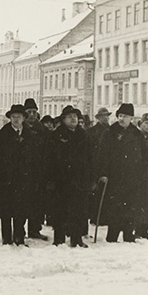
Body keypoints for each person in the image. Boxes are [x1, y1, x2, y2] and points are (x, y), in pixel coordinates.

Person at [0, 104, 42, 246]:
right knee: (6, 211)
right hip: (6, 179)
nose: (16, 119)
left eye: (19, 117)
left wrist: (34, 175)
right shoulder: (1, 135)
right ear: (10, 118)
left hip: (24, 179)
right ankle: (6, 238)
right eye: (13, 117)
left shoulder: (30, 135)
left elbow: (35, 157)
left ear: (24, 118)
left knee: (21, 209)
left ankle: (19, 237)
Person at [44, 105, 93, 247]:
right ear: (63, 119)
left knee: (79, 211)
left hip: (79, 180)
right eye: (70, 117)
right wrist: (50, 180)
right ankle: (59, 239)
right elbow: (48, 159)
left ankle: (76, 239)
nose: (73, 119)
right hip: (61, 181)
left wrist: (91, 178)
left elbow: (91, 158)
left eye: (75, 117)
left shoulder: (84, 136)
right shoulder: (55, 136)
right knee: (60, 211)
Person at [97, 103, 142, 243]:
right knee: (114, 208)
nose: (122, 119)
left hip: (132, 177)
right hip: (115, 177)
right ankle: (112, 236)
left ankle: (129, 235)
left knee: (130, 207)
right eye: (120, 116)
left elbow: (143, 155)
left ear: (131, 118)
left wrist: (141, 174)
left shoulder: (136, 133)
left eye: (125, 116)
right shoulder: (110, 132)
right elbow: (102, 155)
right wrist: (103, 173)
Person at [22, 98, 49, 241]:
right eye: (29, 112)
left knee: (37, 203)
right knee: (22, 203)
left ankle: (35, 230)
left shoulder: (42, 130)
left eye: (34, 112)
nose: (32, 115)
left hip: (39, 172)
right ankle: (20, 231)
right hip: (23, 172)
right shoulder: (20, 128)